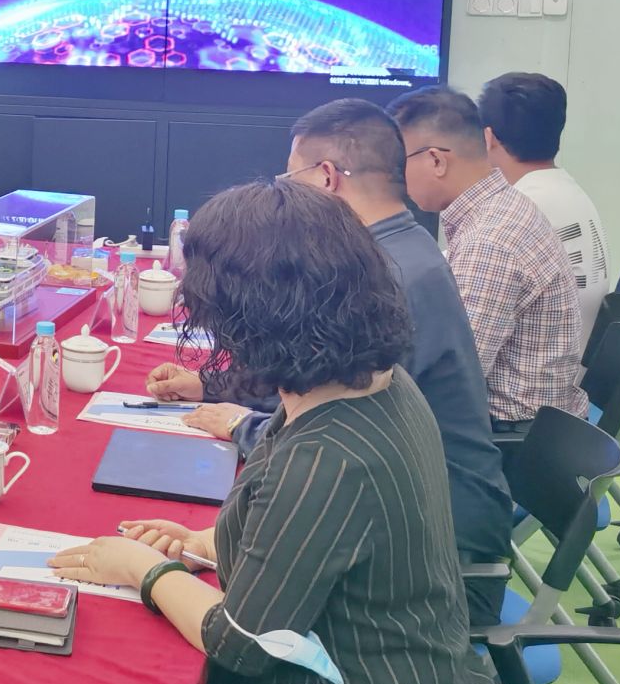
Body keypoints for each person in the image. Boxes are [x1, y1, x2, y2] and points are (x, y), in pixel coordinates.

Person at [47, 181, 509, 684]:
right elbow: (330, 548)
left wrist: (144, 569)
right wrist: (208, 543)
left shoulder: (325, 455)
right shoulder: (379, 390)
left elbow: (242, 640)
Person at [151, 99, 513, 622]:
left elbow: (338, 432)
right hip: (419, 514)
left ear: (326, 177)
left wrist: (241, 428)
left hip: (431, 555)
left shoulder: (380, 277)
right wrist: (217, 389)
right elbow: (317, 378)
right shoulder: (399, 248)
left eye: (289, 178)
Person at [390, 86, 586, 434]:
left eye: (397, 163)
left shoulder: (489, 242)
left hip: (510, 437)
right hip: (532, 424)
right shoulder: (502, 207)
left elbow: (454, 379)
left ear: (436, 161)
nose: (395, 178)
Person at [479, 72, 611, 341]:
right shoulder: (569, 192)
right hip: (571, 351)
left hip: (537, 361)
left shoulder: (518, 211)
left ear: (488, 137)